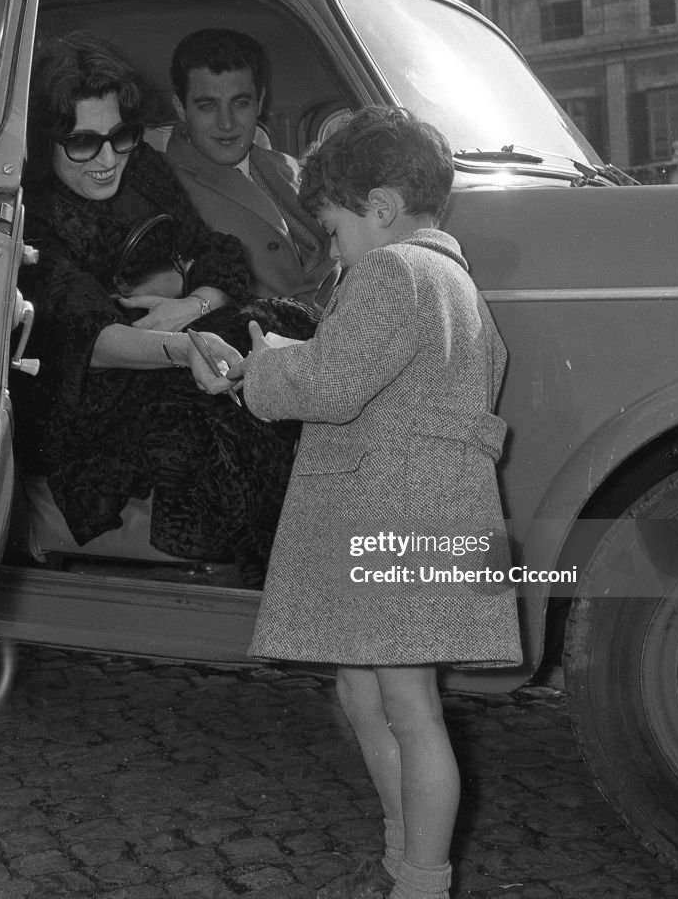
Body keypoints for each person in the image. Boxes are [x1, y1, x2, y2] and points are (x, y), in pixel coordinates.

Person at [214, 107, 523, 898]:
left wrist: (258, 374)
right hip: (430, 520)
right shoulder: (457, 286)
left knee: (408, 707)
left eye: (335, 228)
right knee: (364, 691)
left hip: (393, 524)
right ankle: (399, 859)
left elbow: (331, 386)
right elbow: (392, 377)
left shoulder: (392, 272)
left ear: (380, 209)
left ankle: (420, 880)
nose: (333, 248)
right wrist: (297, 357)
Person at [13, 31, 308, 585]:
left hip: (174, 342)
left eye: (119, 135)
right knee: (229, 377)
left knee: (278, 323)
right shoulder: (34, 216)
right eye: (83, 143)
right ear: (46, 139)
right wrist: (184, 345)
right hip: (87, 404)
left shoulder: (141, 165)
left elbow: (214, 253)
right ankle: (288, 571)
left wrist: (189, 305)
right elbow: (85, 337)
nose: (107, 160)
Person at [165, 27, 339, 312]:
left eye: (240, 103)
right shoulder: (166, 187)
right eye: (208, 106)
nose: (226, 123)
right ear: (181, 108)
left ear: (259, 102)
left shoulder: (287, 166)